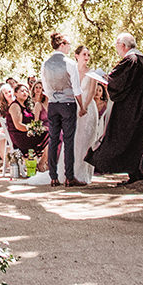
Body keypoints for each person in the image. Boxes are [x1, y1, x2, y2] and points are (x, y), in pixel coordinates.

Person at [85, 32, 143, 184]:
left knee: (126, 139)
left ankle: (136, 174)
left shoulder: (131, 60)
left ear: (123, 45)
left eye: (117, 45)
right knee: (137, 140)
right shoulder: (140, 60)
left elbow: (116, 81)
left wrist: (105, 79)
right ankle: (137, 174)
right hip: (139, 108)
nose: (117, 48)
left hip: (130, 110)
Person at [39, 32, 82, 186]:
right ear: (62, 44)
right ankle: (69, 177)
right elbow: (76, 89)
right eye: (68, 44)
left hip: (53, 104)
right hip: (68, 104)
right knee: (68, 141)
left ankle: (53, 176)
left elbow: (45, 87)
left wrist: (52, 98)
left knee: (53, 139)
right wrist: (82, 106)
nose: (70, 47)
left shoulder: (45, 63)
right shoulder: (69, 63)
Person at [72, 44, 101, 184]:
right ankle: (70, 172)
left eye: (88, 55)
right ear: (76, 56)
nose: (87, 57)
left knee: (86, 140)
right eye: (84, 54)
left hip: (88, 109)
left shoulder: (92, 73)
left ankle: (82, 174)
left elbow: (91, 91)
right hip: (74, 107)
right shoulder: (72, 71)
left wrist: (84, 107)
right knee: (74, 139)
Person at [3, 82, 46, 158]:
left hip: (28, 134)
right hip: (20, 137)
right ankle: (43, 162)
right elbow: (18, 125)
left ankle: (45, 161)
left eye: (26, 91)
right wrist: (34, 129)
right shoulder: (15, 106)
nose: (25, 93)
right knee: (50, 135)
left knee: (53, 133)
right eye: (22, 91)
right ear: (15, 93)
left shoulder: (26, 106)